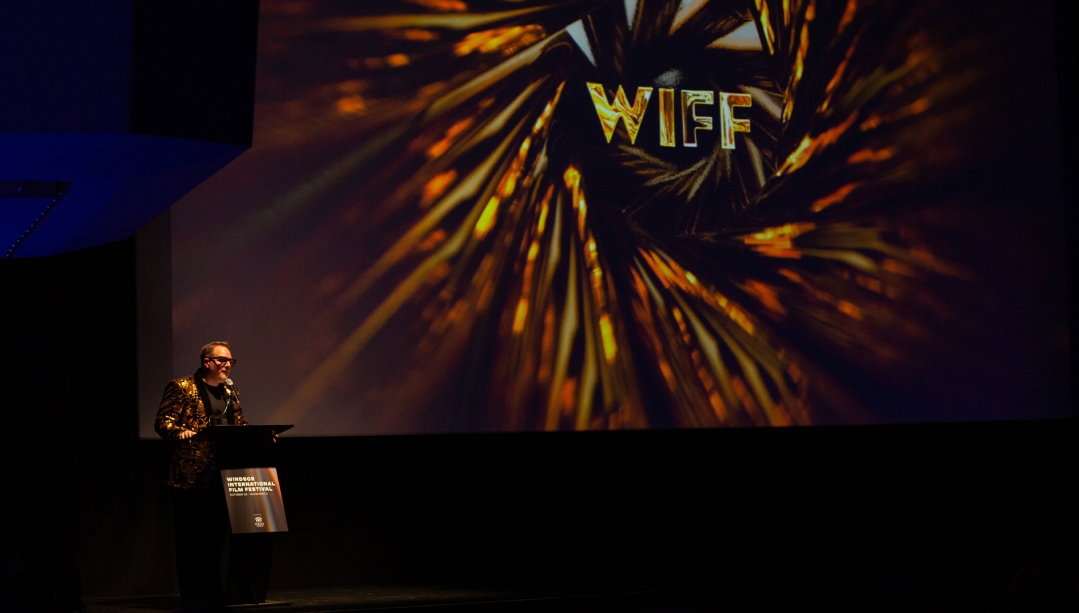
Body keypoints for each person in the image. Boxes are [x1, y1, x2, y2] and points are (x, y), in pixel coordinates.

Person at [155, 341, 247, 606]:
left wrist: (262, 436)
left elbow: (240, 425)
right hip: (190, 476)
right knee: (191, 540)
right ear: (206, 362)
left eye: (230, 361)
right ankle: (193, 597)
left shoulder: (231, 393)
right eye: (222, 360)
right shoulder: (181, 387)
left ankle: (212, 594)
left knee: (214, 539)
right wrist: (178, 432)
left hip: (222, 475)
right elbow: (163, 421)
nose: (227, 365)